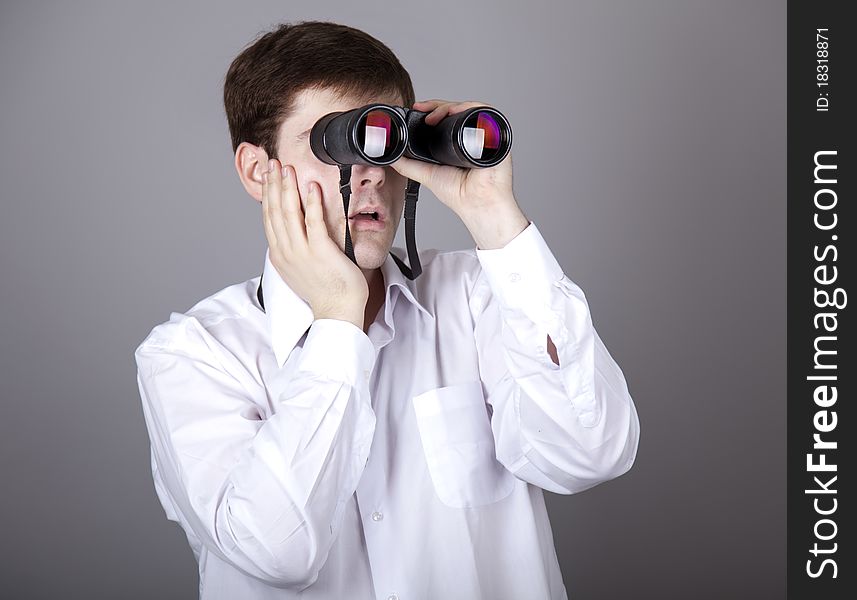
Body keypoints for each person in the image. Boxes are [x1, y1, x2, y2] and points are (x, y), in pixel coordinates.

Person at [134, 20, 640, 600]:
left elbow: (590, 452)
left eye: (387, 142)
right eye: (338, 143)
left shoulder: (477, 296)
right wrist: (336, 321)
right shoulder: (193, 355)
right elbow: (275, 554)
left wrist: (497, 218)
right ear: (257, 170)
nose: (372, 172)